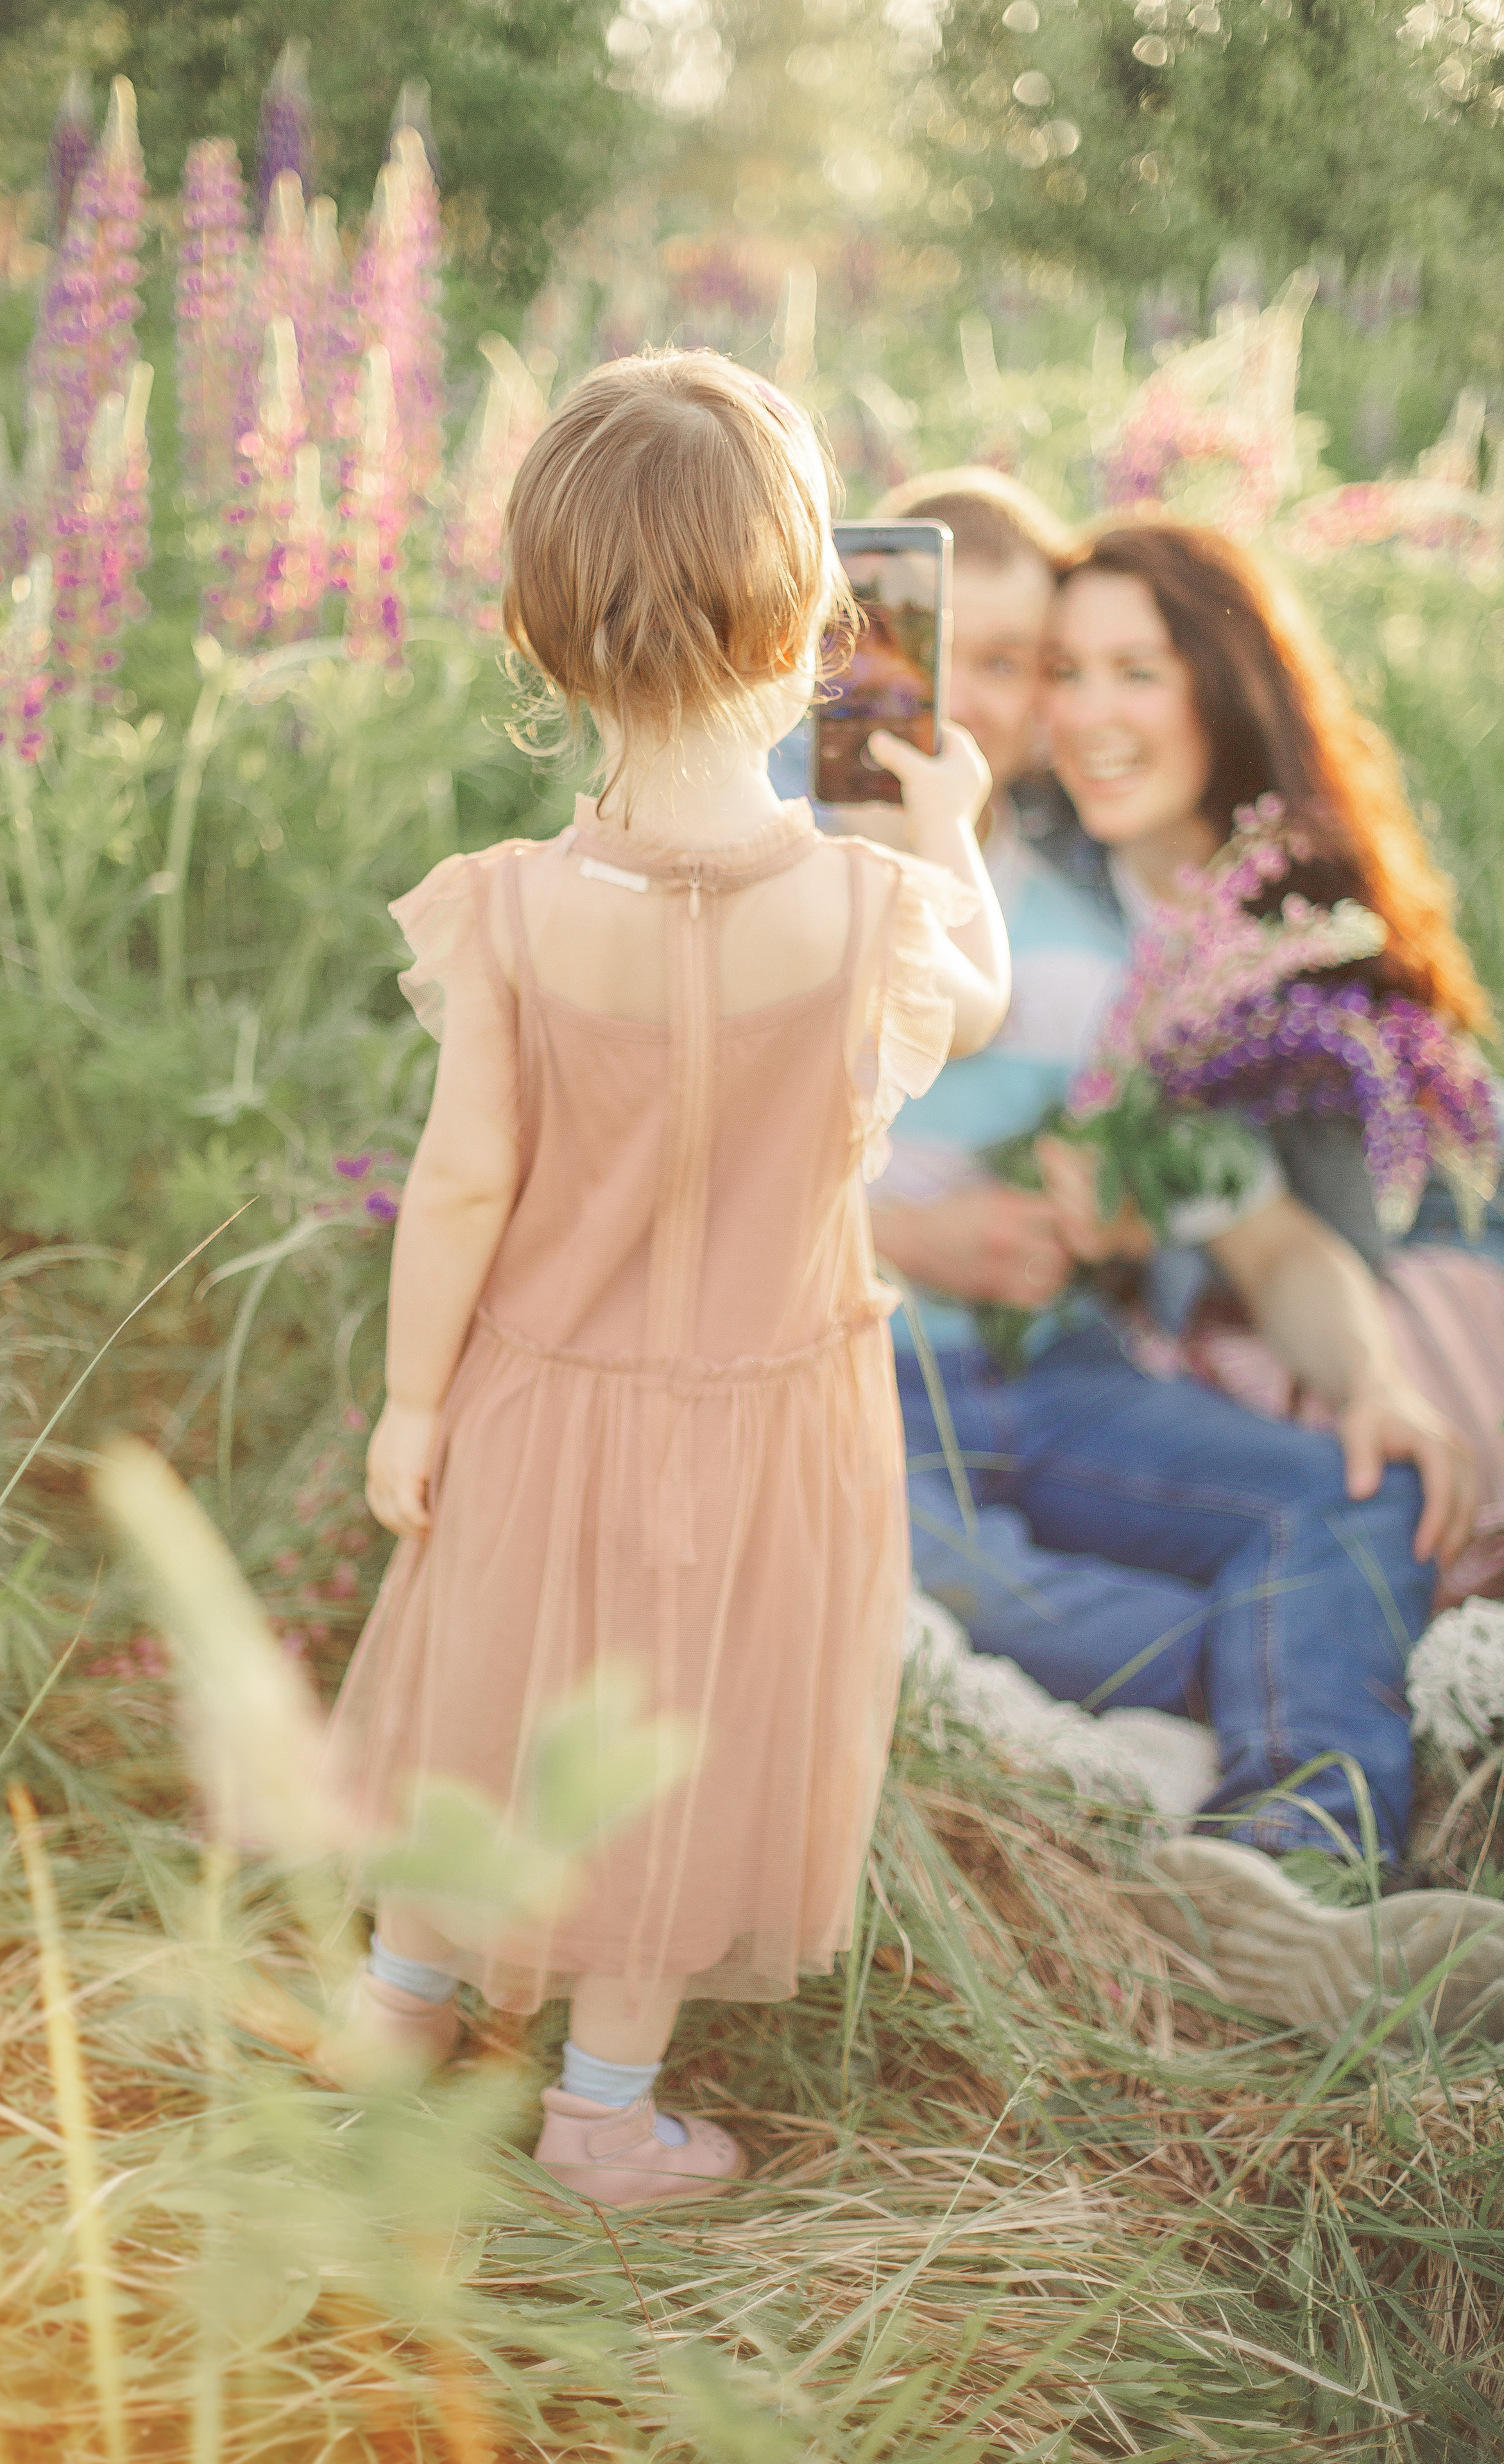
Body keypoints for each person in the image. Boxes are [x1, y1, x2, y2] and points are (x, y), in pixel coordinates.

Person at [322, 352, 1011, 2206]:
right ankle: (603, 2112)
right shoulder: (873, 917)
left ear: (539, 643)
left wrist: (410, 1402)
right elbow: (991, 1003)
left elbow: (462, 1181)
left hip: (539, 1390)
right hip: (771, 1409)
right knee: (683, 1739)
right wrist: (944, 832)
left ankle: (398, 2012)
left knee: (490, 1693)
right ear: (818, 630)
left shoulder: (518, 912)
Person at [852, 471, 1503, 2039]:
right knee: (975, 1599)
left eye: (1061, 666)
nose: (1032, 706)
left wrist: (1370, 1382)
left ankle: (1297, 1870)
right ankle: (1271, 1750)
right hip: (859, 1373)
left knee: (1349, 1486)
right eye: (1012, 661)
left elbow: (1263, 1225)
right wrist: (913, 1230)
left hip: (1058, 1374)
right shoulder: (826, 851)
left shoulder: (1119, 929)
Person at [1041, 520, 1504, 1609]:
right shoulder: (1035, 874)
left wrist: (1141, 1232)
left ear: (1224, 688)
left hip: (1389, 1293)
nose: (1087, 713)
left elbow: (1288, 1246)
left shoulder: (1296, 947)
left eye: (1137, 673)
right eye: (1064, 672)